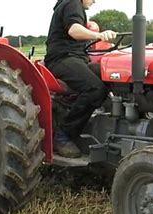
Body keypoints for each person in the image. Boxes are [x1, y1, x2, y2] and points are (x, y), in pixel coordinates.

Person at [44, 0, 117, 158]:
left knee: (110, 75)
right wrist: (98, 35)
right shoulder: (72, 3)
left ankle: (111, 128)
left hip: (77, 59)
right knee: (95, 88)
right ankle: (63, 135)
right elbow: (73, 30)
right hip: (62, 59)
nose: (95, 1)